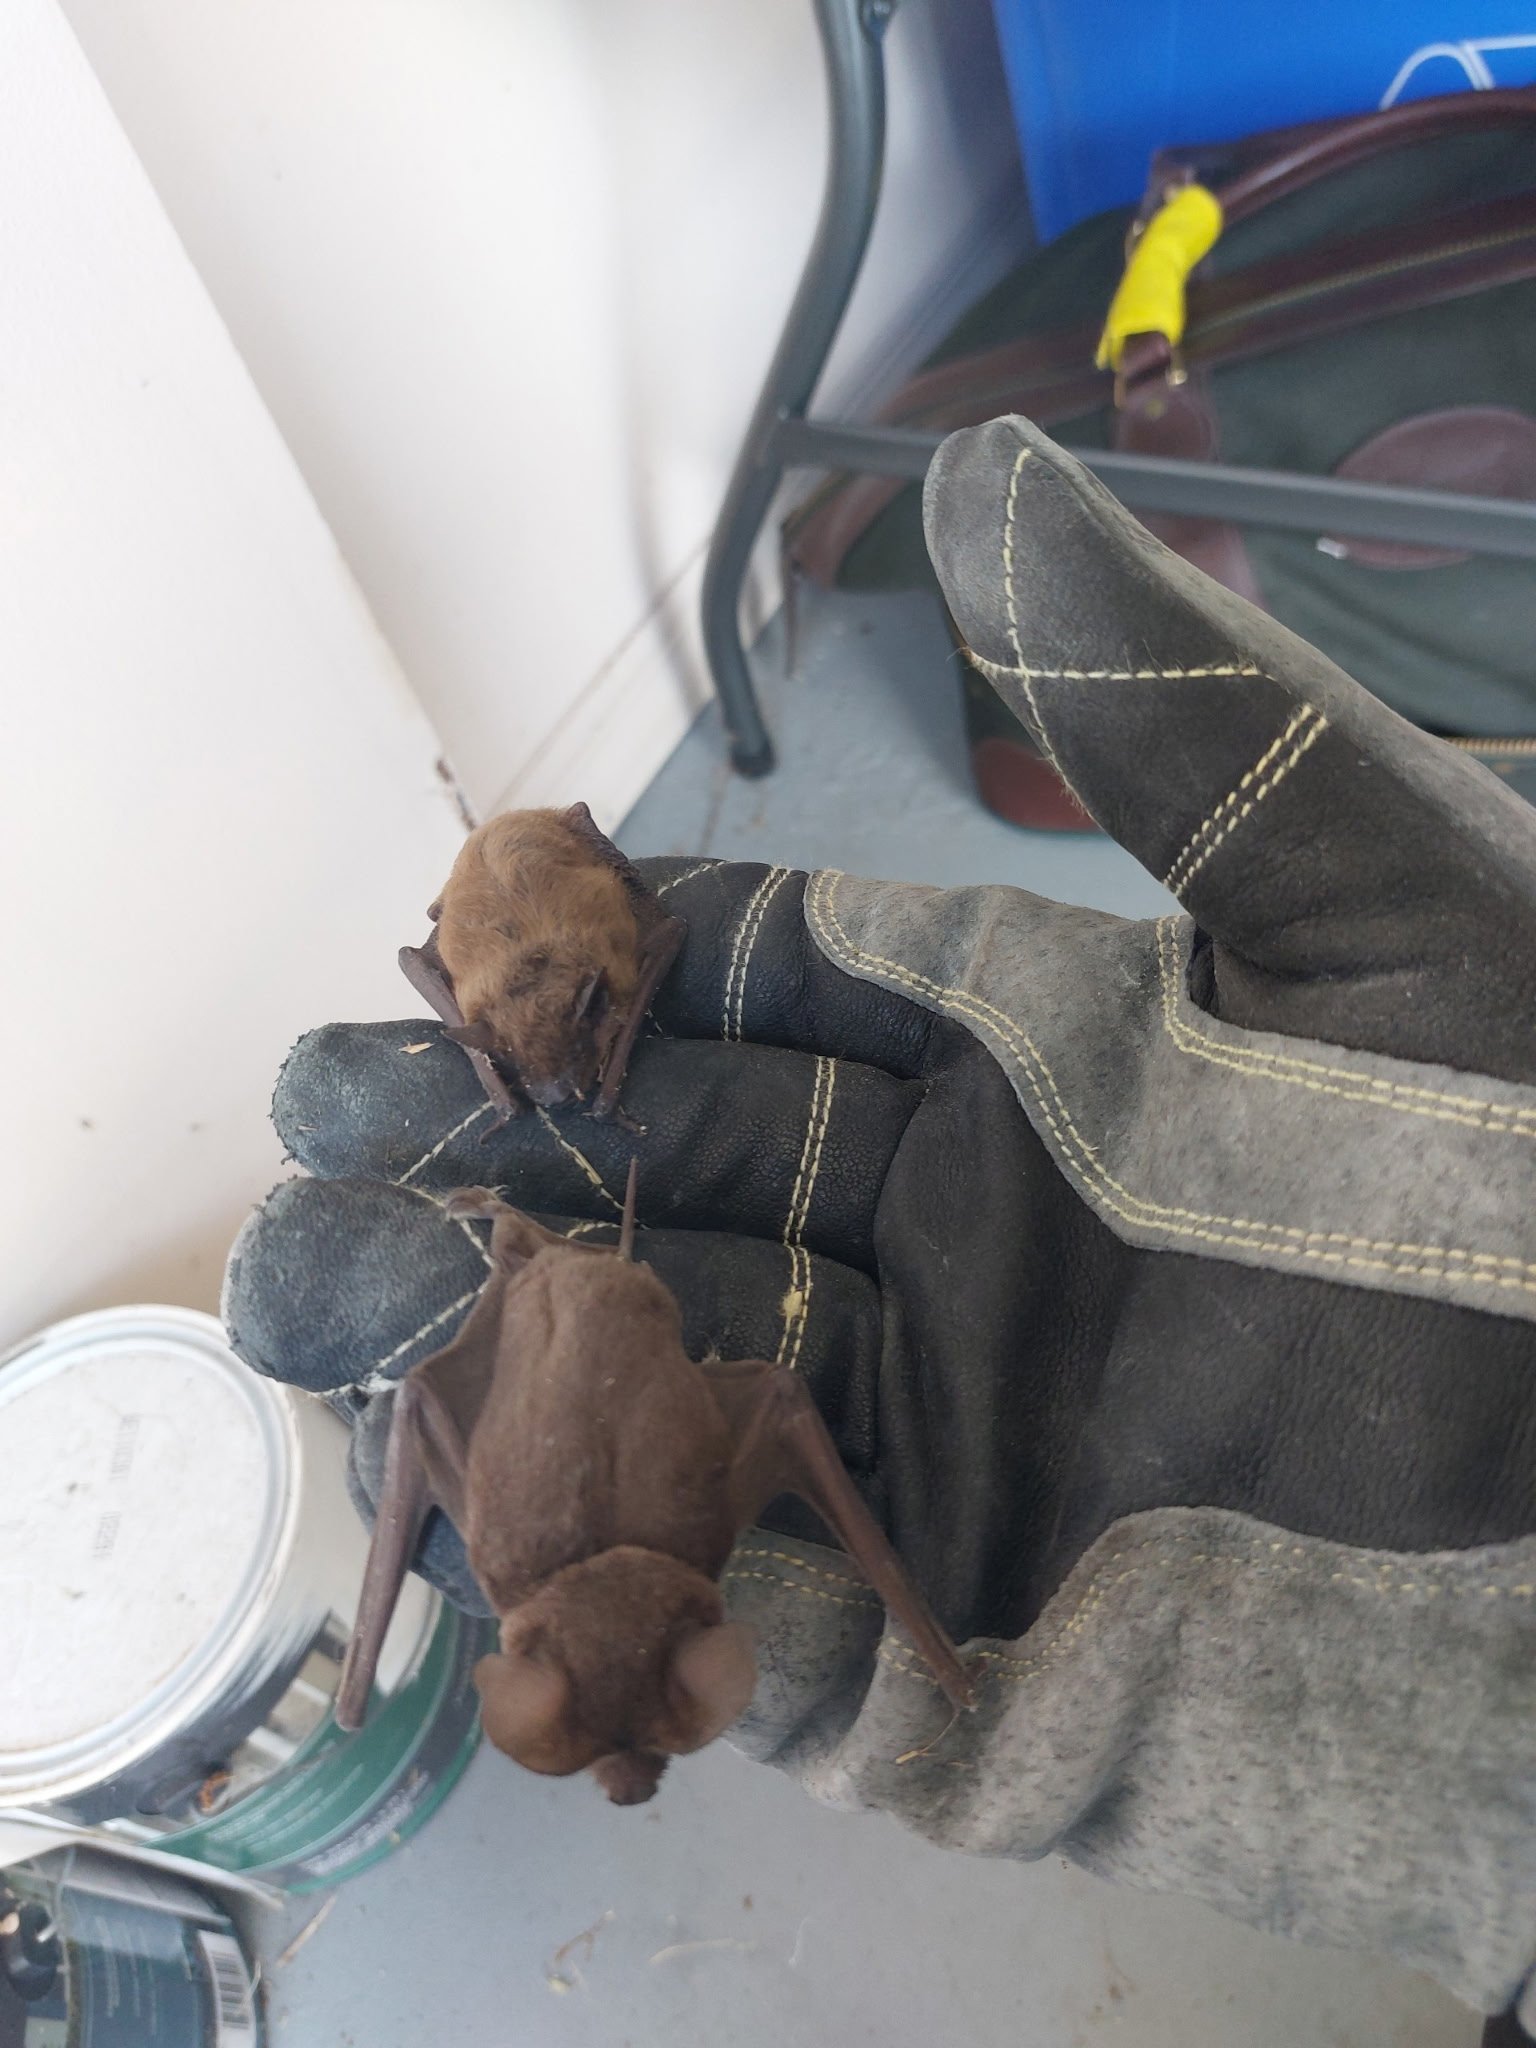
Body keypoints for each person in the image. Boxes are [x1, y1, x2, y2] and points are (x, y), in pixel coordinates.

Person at [224, 419, 1536, 2030]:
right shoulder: (593, 1506)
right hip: (586, 1325)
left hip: (588, 1329)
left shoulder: (540, 1503)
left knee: (603, 1388)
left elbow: (602, 1412)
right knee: (697, 1395)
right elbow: (716, 1413)